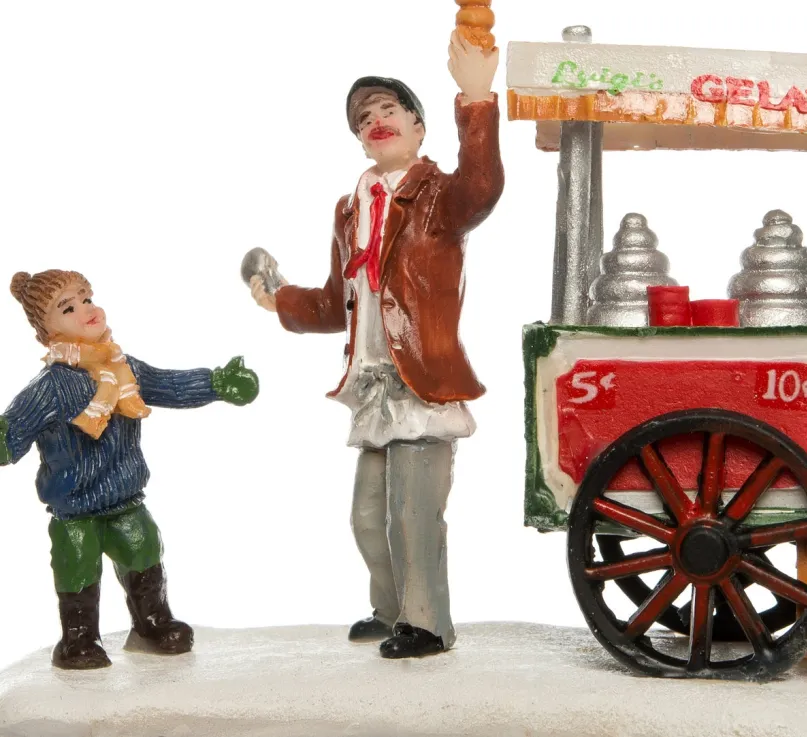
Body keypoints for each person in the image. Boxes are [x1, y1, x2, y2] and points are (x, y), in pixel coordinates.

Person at [249, 32, 503, 658]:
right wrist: (277, 299)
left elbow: (482, 186)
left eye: (389, 109)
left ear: (418, 126)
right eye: (364, 119)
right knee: (369, 516)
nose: (376, 121)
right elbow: (335, 303)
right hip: (373, 386)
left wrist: (476, 96)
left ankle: (428, 624)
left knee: (414, 516)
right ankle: (392, 611)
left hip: (420, 382)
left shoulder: (437, 197)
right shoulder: (351, 210)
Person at [0, 269, 259, 669]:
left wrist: (216, 383)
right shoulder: (49, 387)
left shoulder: (123, 369)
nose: (85, 309)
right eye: (67, 308)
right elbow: (14, 427)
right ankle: (79, 638)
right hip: (75, 510)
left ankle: (151, 624)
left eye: (86, 298)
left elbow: (169, 385)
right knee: (76, 567)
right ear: (46, 333)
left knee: (144, 550)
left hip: (125, 499)